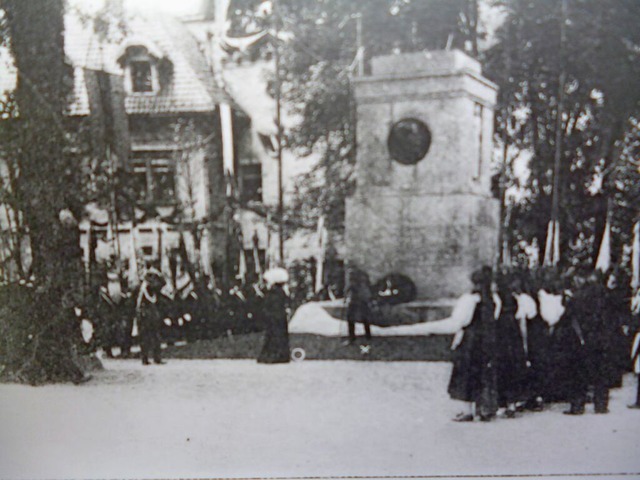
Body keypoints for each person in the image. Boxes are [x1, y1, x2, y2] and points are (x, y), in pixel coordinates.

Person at [562, 271, 619, 414]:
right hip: (601, 339)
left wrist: (580, 336)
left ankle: (577, 405)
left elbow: (570, 318)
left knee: (578, 373)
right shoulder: (605, 296)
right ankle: (601, 405)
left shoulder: (577, 297)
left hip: (582, 339)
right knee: (601, 372)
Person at [495, 272, 531, 417]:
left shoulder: (497, 300)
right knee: (513, 368)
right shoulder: (517, 300)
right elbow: (522, 322)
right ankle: (512, 403)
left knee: (501, 367)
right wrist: (524, 343)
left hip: (501, 336)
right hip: (513, 335)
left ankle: (502, 403)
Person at [257, 268, 291, 364]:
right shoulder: (282, 291)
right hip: (280, 316)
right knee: (280, 335)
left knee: (273, 336)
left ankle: (272, 356)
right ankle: (282, 356)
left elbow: (269, 304)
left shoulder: (273, 292)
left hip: (274, 316)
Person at [136, 269, 166, 365]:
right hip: (144, 314)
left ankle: (156, 357)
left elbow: (163, 284)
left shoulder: (151, 289)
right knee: (145, 337)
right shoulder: (145, 288)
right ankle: (145, 358)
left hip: (152, 314)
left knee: (155, 336)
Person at [344, 266, 372, 345]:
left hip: (355, 299)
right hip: (363, 299)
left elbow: (349, 287)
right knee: (364, 318)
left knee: (350, 318)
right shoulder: (363, 275)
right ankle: (368, 336)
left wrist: (345, 294)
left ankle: (352, 338)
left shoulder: (352, 273)